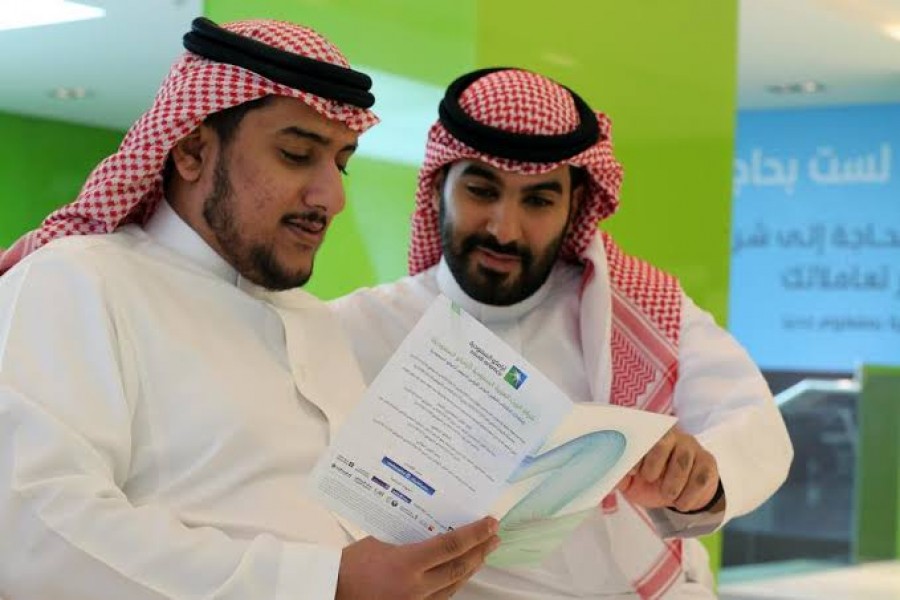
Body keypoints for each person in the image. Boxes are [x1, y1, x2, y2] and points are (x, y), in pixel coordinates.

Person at [0, 18, 498, 600]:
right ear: (191, 152)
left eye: (340, 162)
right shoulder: (78, 282)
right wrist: (326, 583)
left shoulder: (315, 323)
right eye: (295, 154)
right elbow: (34, 531)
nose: (332, 198)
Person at [330, 67, 794, 599]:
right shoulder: (358, 326)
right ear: (439, 186)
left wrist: (701, 478)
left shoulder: (637, 310)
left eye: (538, 201)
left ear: (574, 206)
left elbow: (756, 428)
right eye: (482, 190)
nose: (505, 228)